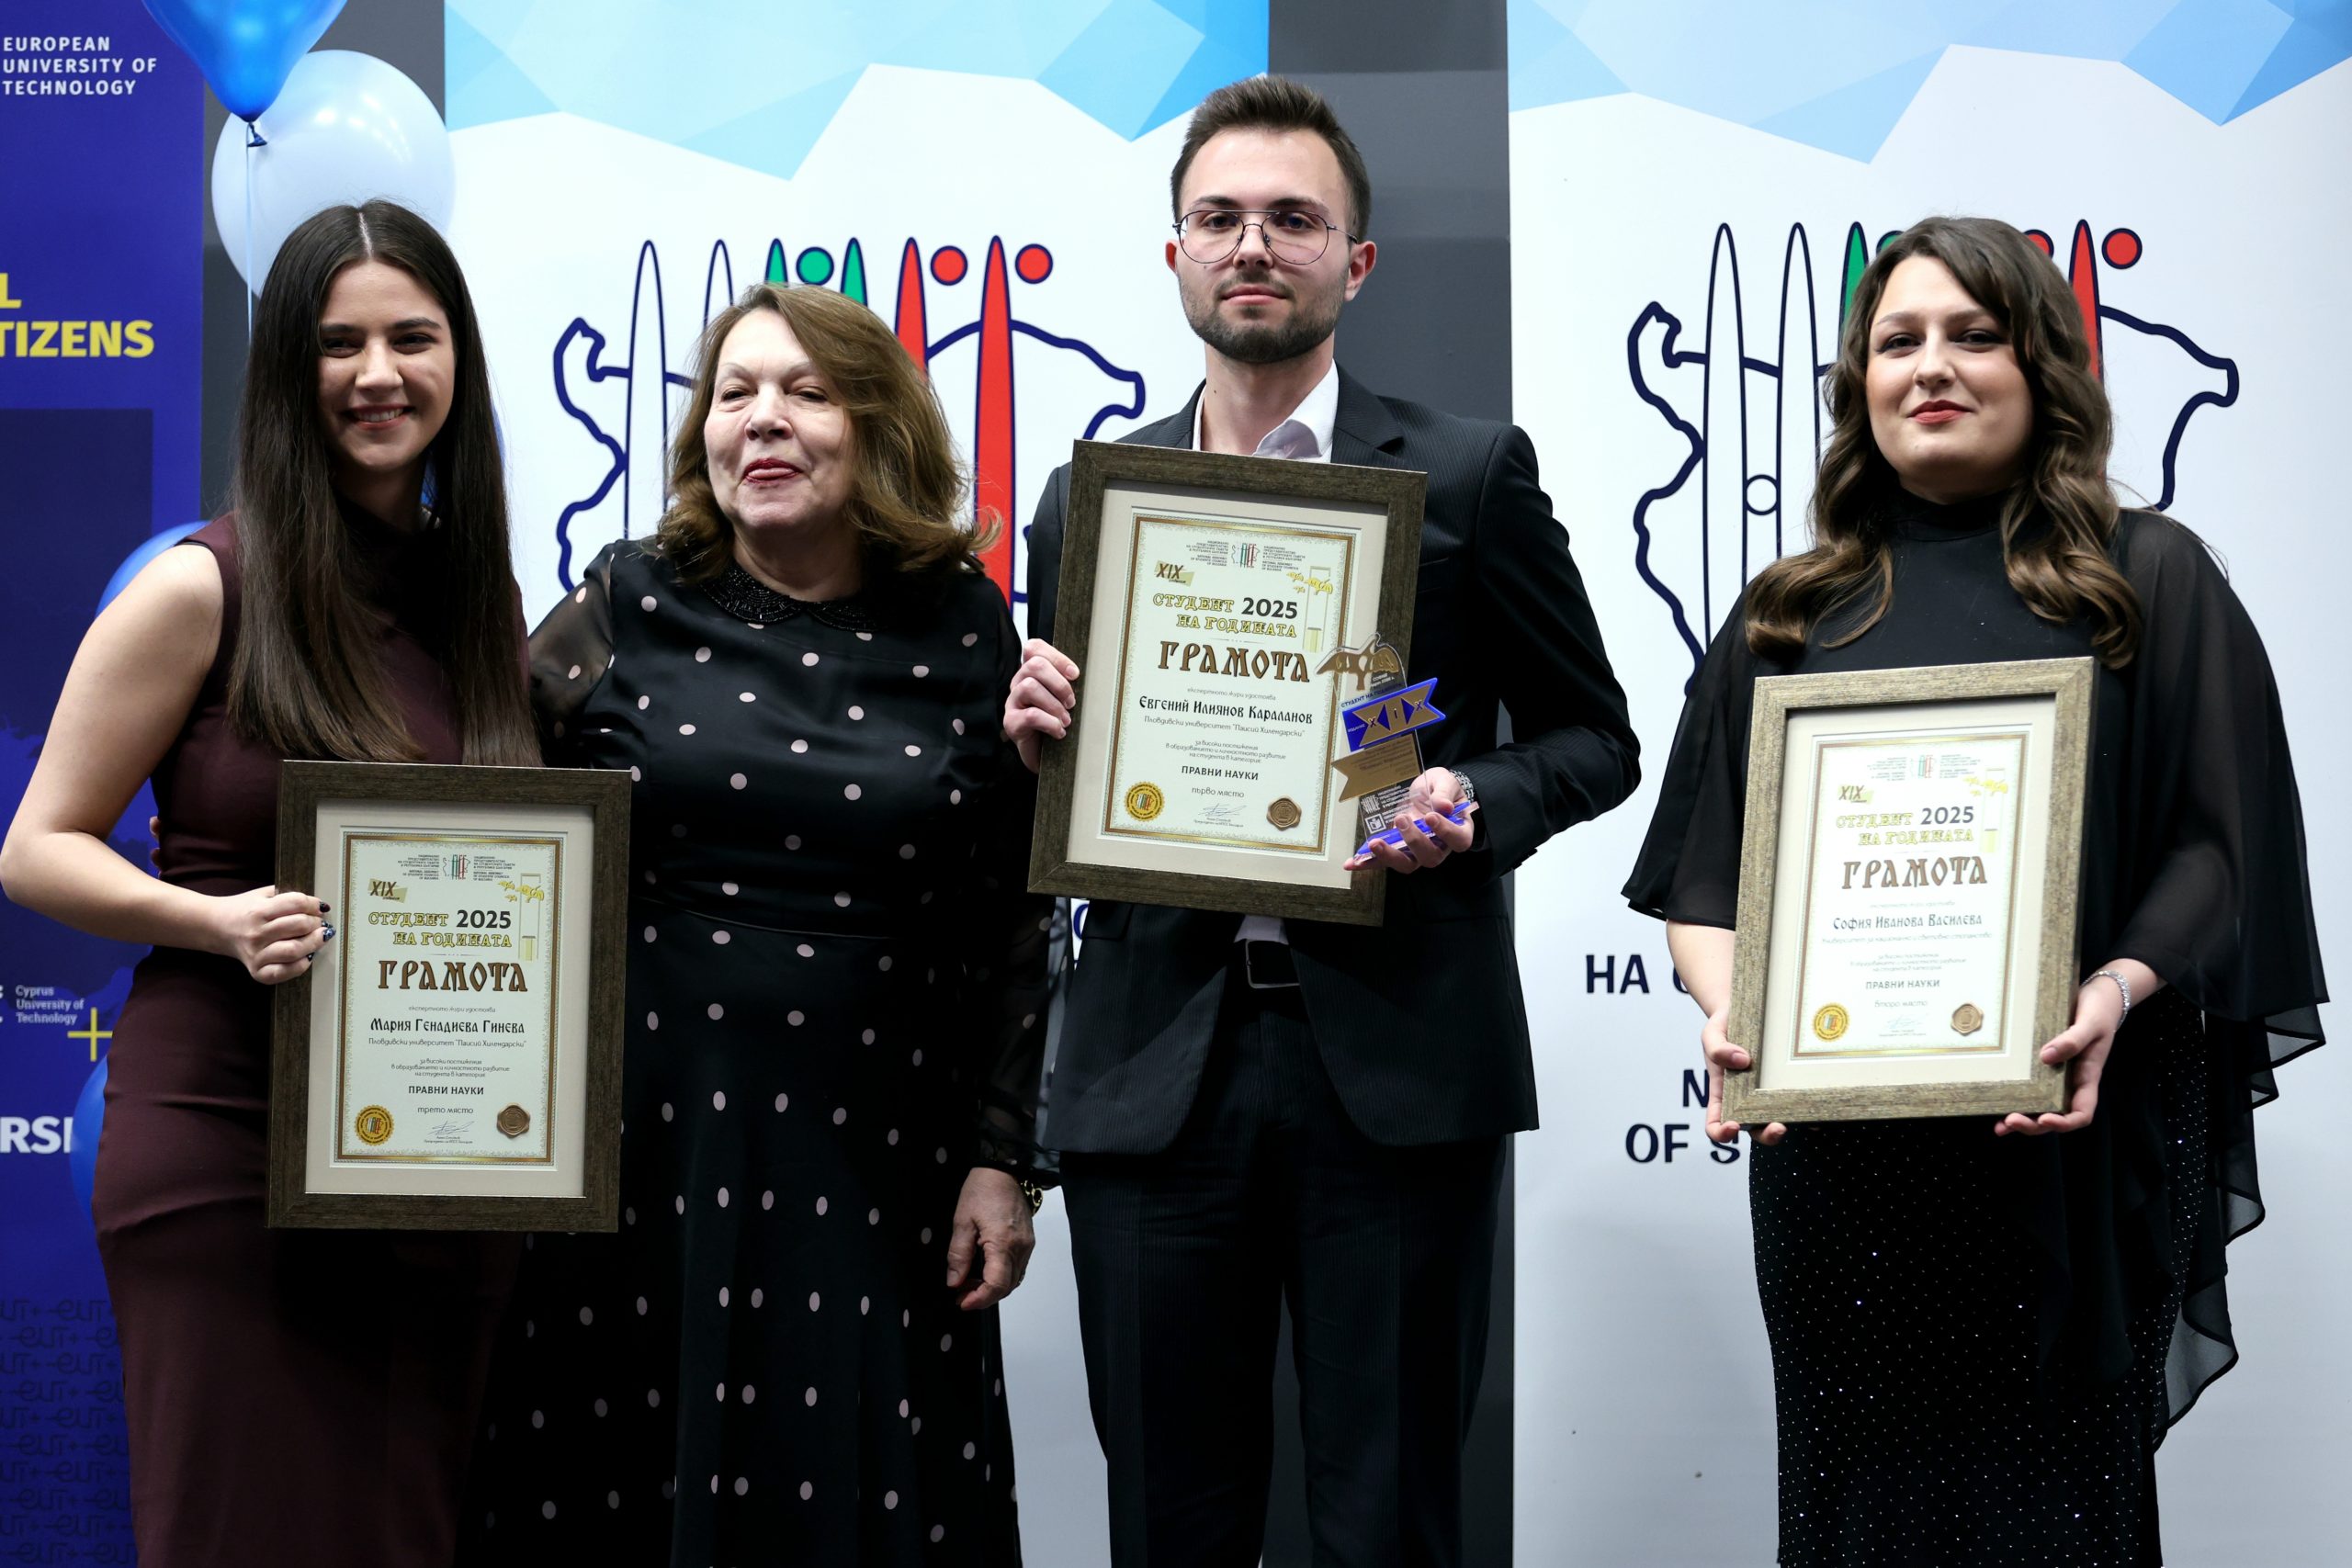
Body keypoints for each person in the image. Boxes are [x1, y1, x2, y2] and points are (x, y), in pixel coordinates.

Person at [1626, 215, 2326, 1564]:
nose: (1931, 366)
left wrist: (2112, 990)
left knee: (2057, 1517)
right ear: (1861, 383)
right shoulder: (1789, 613)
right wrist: (1731, 1016)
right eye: (1898, 340)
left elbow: (2216, 849)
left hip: (2069, 1134)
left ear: (2043, 367)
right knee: (1856, 1517)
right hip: (1842, 1170)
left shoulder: (2146, 578)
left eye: (1974, 334)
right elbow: (1703, 890)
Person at [1004, 76, 1637, 1567]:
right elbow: (1069, 797)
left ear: (1355, 262)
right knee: (1170, 1524)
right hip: (1152, 1071)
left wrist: (1471, 799)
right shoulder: (1088, 503)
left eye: (1293, 218)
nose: (1253, 244)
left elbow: (1595, 739)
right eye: (1219, 217)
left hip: (1398, 1069)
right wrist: (1032, 740)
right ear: (1174, 253)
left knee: (1390, 1520)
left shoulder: (1470, 473)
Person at [461, 282, 1050, 1565]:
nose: (763, 420)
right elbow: (478, 817)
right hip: (640, 1149)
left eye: (806, 392)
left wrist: (1001, 1157)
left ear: (878, 428)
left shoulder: (965, 624)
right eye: (735, 393)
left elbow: (1012, 912)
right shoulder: (626, 599)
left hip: (879, 1162)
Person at [0, 200, 538, 1564]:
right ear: (287, 371)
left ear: (459, 361)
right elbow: (38, 847)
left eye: (412, 338)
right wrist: (216, 921)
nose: (378, 373)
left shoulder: (479, 603)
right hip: (224, 1146)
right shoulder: (201, 588)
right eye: (337, 343)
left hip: (430, 1163)